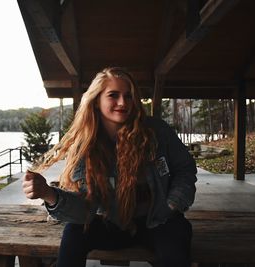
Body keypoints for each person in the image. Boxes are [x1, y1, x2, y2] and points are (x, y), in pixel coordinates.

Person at [22, 67, 197, 267]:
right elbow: (84, 210)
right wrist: (48, 194)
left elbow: (185, 169)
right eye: (113, 95)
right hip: (110, 224)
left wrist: (172, 204)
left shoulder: (156, 132)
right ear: (96, 101)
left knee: (176, 252)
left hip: (159, 221)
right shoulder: (85, 146)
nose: (123, 102)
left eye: (129, 96)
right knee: (73, 232)